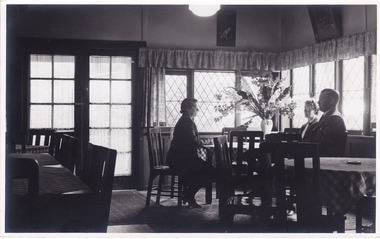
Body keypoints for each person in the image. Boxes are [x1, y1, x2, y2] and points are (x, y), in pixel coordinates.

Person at [166, 98, 219, 208]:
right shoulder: (186, 122)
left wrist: (202, 143)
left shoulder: (187, 120)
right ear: (187, 108)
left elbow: (192, 140)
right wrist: (203, 143)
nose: (197, 109)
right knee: (211, 171)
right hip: (180, 161)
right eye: (195, 107)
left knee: (209, 170)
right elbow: (192, 141)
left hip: (182, 159)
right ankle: (189, 194)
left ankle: (188, 194)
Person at [309, 89, 347, 156]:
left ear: (332, 101)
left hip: (325, 160)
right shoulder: (327, 116)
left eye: (321, 99)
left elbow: (325, 146)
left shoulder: (335, 119)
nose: (318, 102)